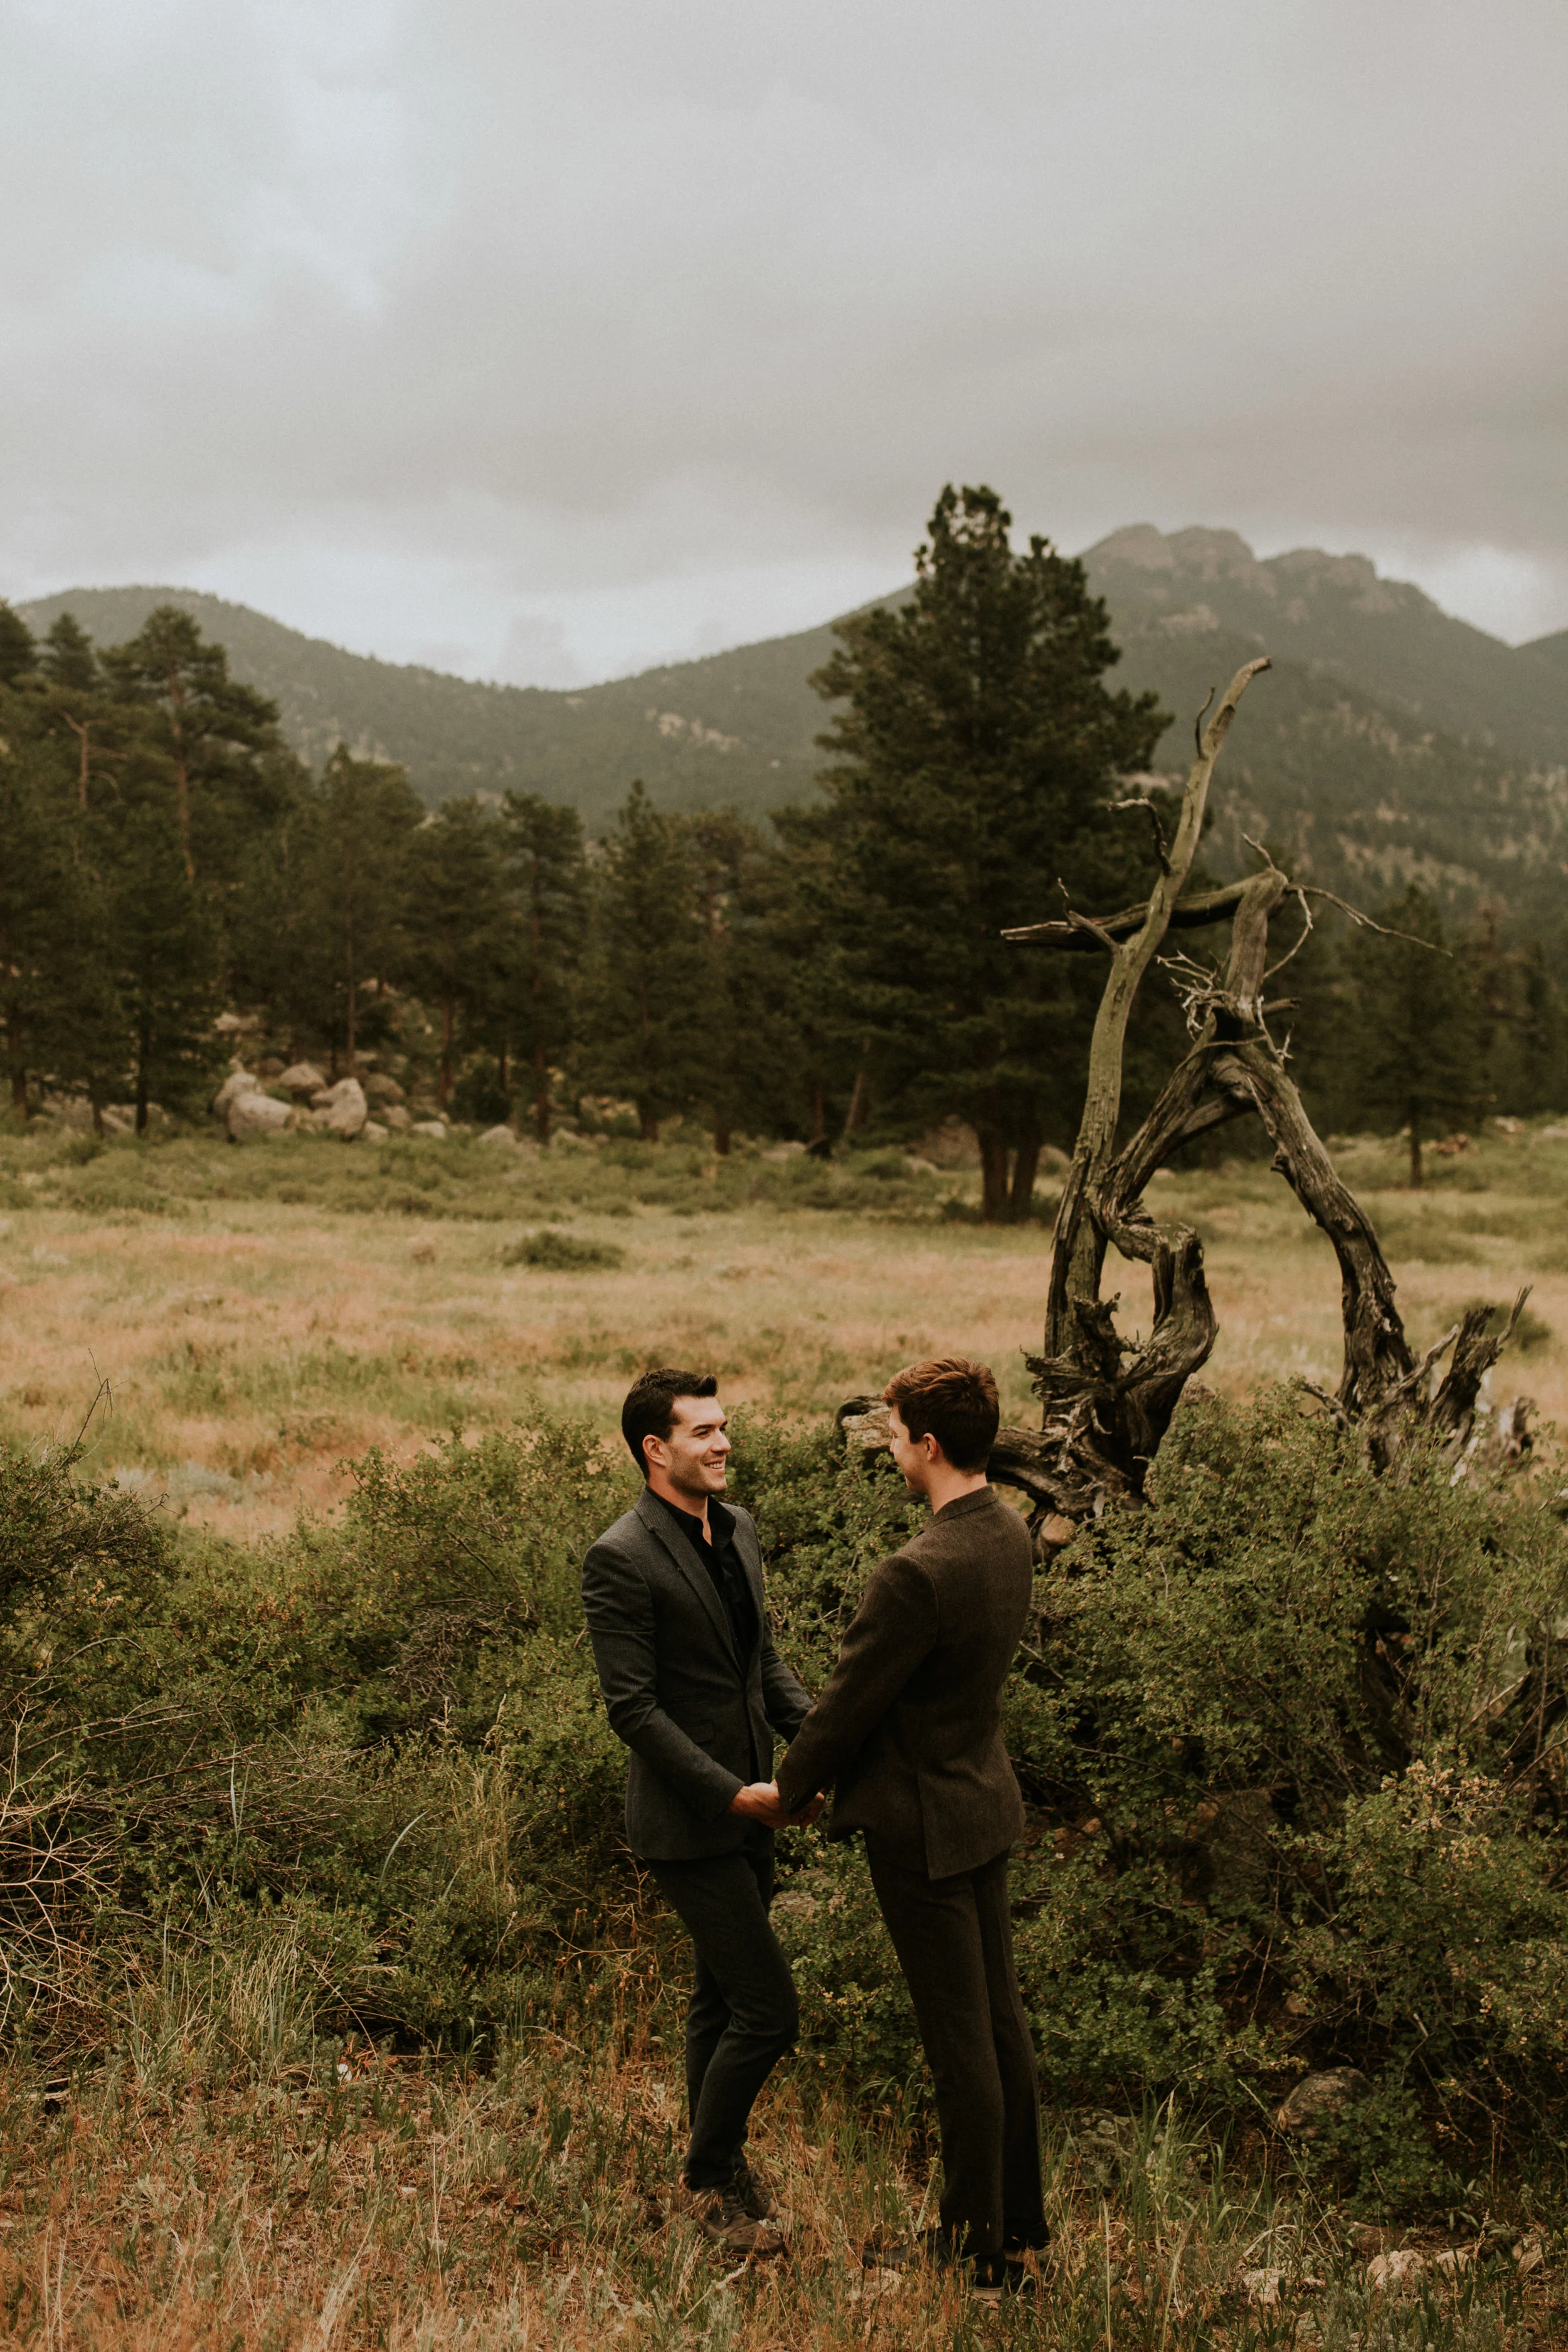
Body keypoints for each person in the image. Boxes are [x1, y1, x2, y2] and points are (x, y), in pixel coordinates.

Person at [773, 1356, 1047, 2293]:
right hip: (983, 1802)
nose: (890, 1446)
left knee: (959, 2039)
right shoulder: (1009, 1532)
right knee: (1000, 2024)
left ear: (929, 1445)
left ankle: (976, 2252)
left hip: (923, 1826)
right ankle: (1015, 2225)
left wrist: (787, 1788)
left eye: (894, 1434)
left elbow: (847, 1705)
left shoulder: (915, 1571)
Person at [581, 1368, 815, 2254]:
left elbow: (761, 1666)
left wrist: (824, 1738)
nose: (722, 1443)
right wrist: (729, 1790)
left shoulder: (740, 1528)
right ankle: (710, 2174)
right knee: (770, 2009)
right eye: (702, 1431)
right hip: (692, 1822)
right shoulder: (622, 1555)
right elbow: (631, 1708)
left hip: (759, 1811)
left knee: (719, 2003)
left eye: (724, 1427)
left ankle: (715, 2167)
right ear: (655, 1448)